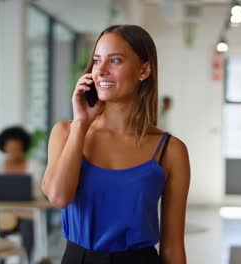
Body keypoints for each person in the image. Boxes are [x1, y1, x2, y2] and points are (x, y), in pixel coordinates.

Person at [42, 25, 191, 264]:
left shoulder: (171, 151)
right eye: (97, 60)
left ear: (144, 70)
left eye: (115, 60)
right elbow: (59, 197)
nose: (101, 70)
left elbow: (173, 247)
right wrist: (81, 124)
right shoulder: (65, 132)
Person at [0, 125, 45, 259]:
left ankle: (28, 259)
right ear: (4, 148)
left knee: (27, 229)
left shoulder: (33, 165)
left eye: (17, 148)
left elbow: (39, 193)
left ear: (23, 148)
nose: (13, 152)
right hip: (4, 213)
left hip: (26, 213)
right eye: (10, 148)